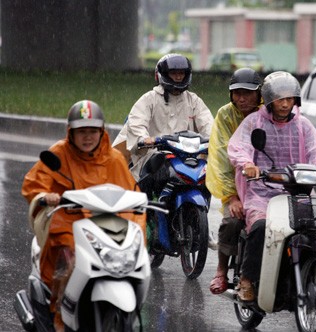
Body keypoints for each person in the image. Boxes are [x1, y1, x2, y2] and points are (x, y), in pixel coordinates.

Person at [21, 100, 146, 331]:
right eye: (81, 132)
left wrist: (141, 201)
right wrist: (46, 196)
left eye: (92, 131)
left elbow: (132, 191)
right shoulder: (58, 153)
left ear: (102, 131)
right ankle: (59, 314)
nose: (87, 137)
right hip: (68, 221)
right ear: (71, 133)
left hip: (107, 224)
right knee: (68, 258)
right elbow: (34, 184)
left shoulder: (115, 159)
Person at [227, 71, 316, 301]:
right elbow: (238, 147)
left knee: (310, 229)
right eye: (280, 100)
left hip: (296, 191)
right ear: (270, 101)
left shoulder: (303, 125)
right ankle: (246, 278)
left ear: (296, 101)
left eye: (289, 99)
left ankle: (305, 273)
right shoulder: (254, 122)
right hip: (261, 192)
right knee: (262, 227)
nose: (284, 104)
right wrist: (248, 164)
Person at [112, 53, 216, 247]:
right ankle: (144, 218)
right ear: (162, 75)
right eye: (173, 73)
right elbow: (137, 124)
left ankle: (201, 222)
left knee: (206, 176)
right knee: (152, 176)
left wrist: (214, 140)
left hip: (187, 155)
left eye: (181, 74)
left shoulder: (194, 100)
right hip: (155, 154)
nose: (178, 77)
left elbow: (209, 124)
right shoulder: (149, 99)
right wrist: (145, 139)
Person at [206, 68, 263, 295]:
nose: (242, 98)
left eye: (248, 93)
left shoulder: (267, 114)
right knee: (232, 221)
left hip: (267, 185)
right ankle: (221, 270)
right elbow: (220, 158)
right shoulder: (225, 115)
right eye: (237, 93)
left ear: (259, 94)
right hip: (237, 186)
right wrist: (231, 196)